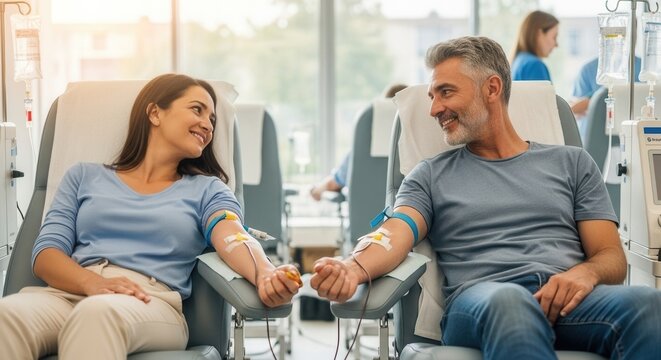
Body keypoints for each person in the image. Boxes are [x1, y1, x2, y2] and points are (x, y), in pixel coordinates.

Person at [310, 36, 661, 359]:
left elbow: (611, 257)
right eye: (432, 97)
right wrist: (351, 267)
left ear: (492, 88)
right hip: (483, 302)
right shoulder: (430, 174)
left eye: (446, 92)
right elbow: (395, 232)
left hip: (568, 300)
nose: (434, 109)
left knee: (648, 303)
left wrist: (584, 274)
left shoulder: (571, 163)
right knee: (510, 302)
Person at [0, 74, 301, 359]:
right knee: (7, 317)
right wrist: (92, 283)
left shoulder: (207, 189)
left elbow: (233, 236)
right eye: (197, 110)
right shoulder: (83, 176)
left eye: (212, 119)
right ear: (155, 113)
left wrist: (265, 273)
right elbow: (46, 255)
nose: (208, 126)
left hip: (149, 301)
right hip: (69, 293)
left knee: (97, 315)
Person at [309, 83, 407, 201]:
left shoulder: (361, 151)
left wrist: (316, 190)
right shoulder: (421, 152)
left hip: (364, 218)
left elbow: (333, 183)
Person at [571, 56, 642, 140]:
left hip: (631, 135)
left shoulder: (643, 68)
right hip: (595, 137)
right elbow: (575, 110)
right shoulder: (589, 69)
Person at [511, 10, 559, 81]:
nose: (556, 45)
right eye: (554, 37)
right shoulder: (535, 65)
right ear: (539, 34)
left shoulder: (518, 61)